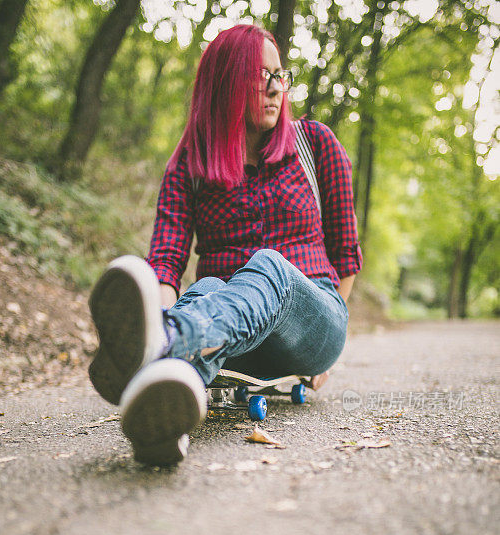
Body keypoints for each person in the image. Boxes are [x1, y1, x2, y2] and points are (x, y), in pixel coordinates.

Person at [88, 23, 362, 466]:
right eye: (261, 76)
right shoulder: (190, 162)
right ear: (227, 82)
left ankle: (161, 343)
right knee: (206, 290)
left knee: (269, 265)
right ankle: (161, 421)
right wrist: (159, 308)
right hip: (230, 337)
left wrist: (319, 358)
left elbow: (346, 256)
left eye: (280, 76)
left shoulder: (316, 143)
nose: (276, 89)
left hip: (312, 324)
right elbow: (166, 262)